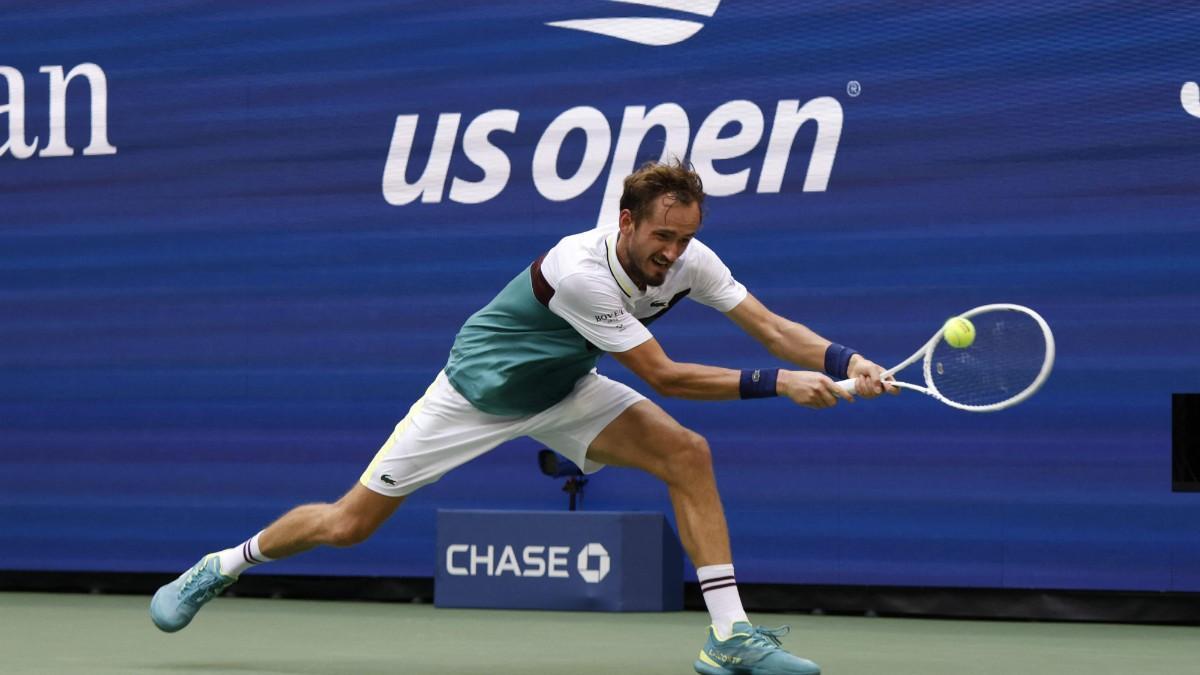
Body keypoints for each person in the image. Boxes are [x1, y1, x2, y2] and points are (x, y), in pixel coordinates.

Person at [150, 160, 895, 675]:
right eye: (662, 237)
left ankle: (729, 637)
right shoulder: (579, 267)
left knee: (687, 453)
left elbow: (767, 325)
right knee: (349, 524)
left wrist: (843, 359)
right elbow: (665, 374)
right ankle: (226, 563)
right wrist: (782, 385)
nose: (673, 253)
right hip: (476, 394)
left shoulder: (690, 261)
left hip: (565, 386)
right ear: (627, 221)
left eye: (685, 239)